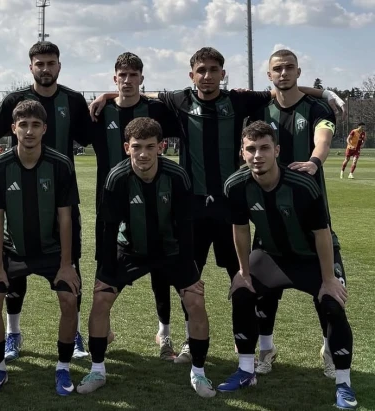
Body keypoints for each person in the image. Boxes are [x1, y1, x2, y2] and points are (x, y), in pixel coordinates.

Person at [88, 46, 345, 364]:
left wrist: (324, 92)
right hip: (192, 209)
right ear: (191, 75)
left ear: (223, 74)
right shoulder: (179, 100)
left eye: (213, 70)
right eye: (201, 70)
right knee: (189, 279)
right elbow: (139, 92)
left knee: (243, 276)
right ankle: (189, 340)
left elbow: (282, 88)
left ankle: (246, 343)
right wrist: (109, 94)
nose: (207, 76)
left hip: (230, 207)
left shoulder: (237, 100)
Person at [221, 120, 357, 410]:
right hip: (271, 255)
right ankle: (246, 371)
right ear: (242, 153)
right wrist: (243, 272)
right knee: (242, 293)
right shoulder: (235, 185)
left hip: (313, 257)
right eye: (251, 149)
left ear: (277, 150)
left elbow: (322, 234)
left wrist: (328, 279)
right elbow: (240, 230)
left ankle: (343, 383)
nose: (257, 155)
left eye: (264, 148)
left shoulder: (302, 185)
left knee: (332, 304)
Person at [77, 117, 214, 398]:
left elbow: (186, 227)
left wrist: (190, 273)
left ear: (161, 147)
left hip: (171, 250)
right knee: (101, 299)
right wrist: (105, 273)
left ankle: (199, 373)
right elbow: (107, 228)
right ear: (126, 147)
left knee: (195, 301)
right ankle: (97, 370)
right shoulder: (116, 178)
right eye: (137, 146)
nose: (143, 154)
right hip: (130, 250)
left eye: (150, 146)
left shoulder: (177, 176)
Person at [0, 41, 92, 361]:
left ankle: (75, 334)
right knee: (15, 270)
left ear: (59, 66)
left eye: (51, 63)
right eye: (39, 63)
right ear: (31, 67)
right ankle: (13, 333)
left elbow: (91, 135)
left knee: (70, 269)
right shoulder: (15, 101)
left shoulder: (73, 100)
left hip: (61, 198)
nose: (45, 68)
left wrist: (107, 99)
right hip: (19, 194)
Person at [248, 49, 345, 377]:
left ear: (298, 71)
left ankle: (329, 349)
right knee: (261, 289)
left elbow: (323, 138)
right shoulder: (259, 109)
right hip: (269, 217)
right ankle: (266, 349)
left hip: (310, 215)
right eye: (278, 68)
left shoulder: (317, 108)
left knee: (327, 290)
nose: (284, 72)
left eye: (290, 67)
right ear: (269, 74)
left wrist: (314, 161)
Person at [0, 100, 80, 395]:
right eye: (23, 125)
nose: (29, 131)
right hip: (13, 251)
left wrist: (67, 264)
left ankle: (63, 367)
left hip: (51, 251)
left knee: (69, 299)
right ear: (13, 128)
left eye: (35, 125)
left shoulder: (60, 165)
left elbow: (66, 218)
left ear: (45, 129)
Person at [90, 52, 181, 359]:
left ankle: (164, 334)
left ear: (142, 78)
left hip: (154, 199)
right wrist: (106, 97)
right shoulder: (100, 112)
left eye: (133, 75)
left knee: (160, 268)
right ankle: (105, 329)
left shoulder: (155, 110)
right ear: (114, 77)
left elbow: (176, 106)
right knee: (105, 264)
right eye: (122, 75)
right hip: (110, 202)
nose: (127, 80)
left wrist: (107, 93)